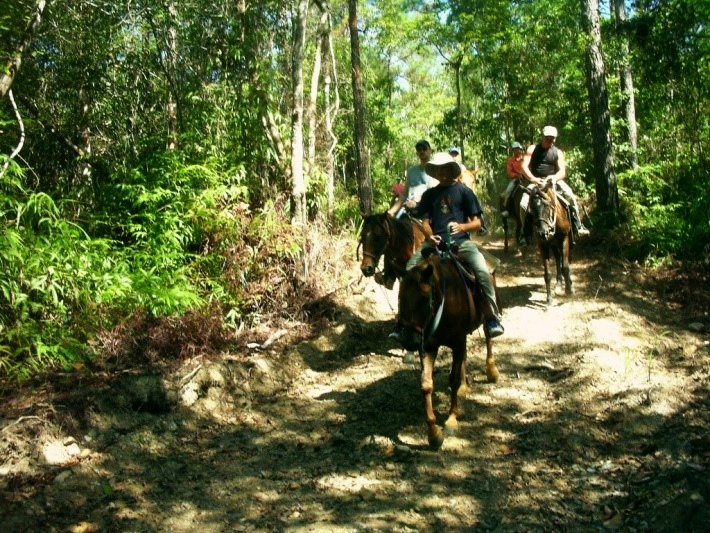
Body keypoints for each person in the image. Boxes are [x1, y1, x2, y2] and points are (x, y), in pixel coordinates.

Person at [390, 152, 504, 340]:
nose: (442, 172)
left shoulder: (464, 192)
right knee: (409, 271)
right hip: (434, 243)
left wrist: (462, 226)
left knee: (482, 271)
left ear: (452, 170)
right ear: (434, 171)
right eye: (438, 169)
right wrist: (429, 235)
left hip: (461, 243)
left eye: (445, 168)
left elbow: (477, 223)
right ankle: (402, 321)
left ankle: (492, 317)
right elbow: (425, 221)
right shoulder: (429, 195)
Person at [519, 126, 590, 245]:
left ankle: (578, 225)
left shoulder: (557, 152)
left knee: (570, 195)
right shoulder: (532, 149)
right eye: (548, 138)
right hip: (536, 181)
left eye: (553, 139)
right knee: (523, 204)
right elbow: (523, 166)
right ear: (543, 137)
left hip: (553, 180)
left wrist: (554, 177)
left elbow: (562, 172)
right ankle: (525, 233)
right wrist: (533, 179)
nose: (550, 141)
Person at [387, 139, 438, 218]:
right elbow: (404, 194)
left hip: (428, 208)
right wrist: (391, 211)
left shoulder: (436, 169)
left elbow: (432, 191)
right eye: (419, 149)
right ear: (417, 153)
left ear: (430, 151)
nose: (422, 151)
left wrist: (415, 201)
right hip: (409, 208)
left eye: (424, 148)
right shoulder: (411, 171)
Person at [501, 141, 524, 218]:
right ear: (513, 151)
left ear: (520, 149)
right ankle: (506, 208)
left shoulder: (524, 159)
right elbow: (509, 172)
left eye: (518, 149)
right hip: (516, 179)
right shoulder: (510, 160)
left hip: (525, 178)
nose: (516, 151)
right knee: (508, 191)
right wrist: (516, 176)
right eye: (514, 149)